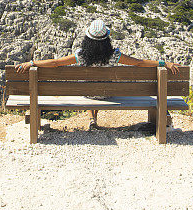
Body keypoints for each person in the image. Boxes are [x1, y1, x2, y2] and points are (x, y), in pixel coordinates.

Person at [13, 19, 179, 129]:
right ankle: (94, 118)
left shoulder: (81, 55)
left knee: (91, 88)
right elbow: (139, 63)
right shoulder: (115, 55)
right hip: (108, 95)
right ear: (107, 38)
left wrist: (32, 63)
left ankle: (92, 119)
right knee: (100, 87)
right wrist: (164, 63)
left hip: (88, 94)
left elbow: (55, 63)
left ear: (88, 39)